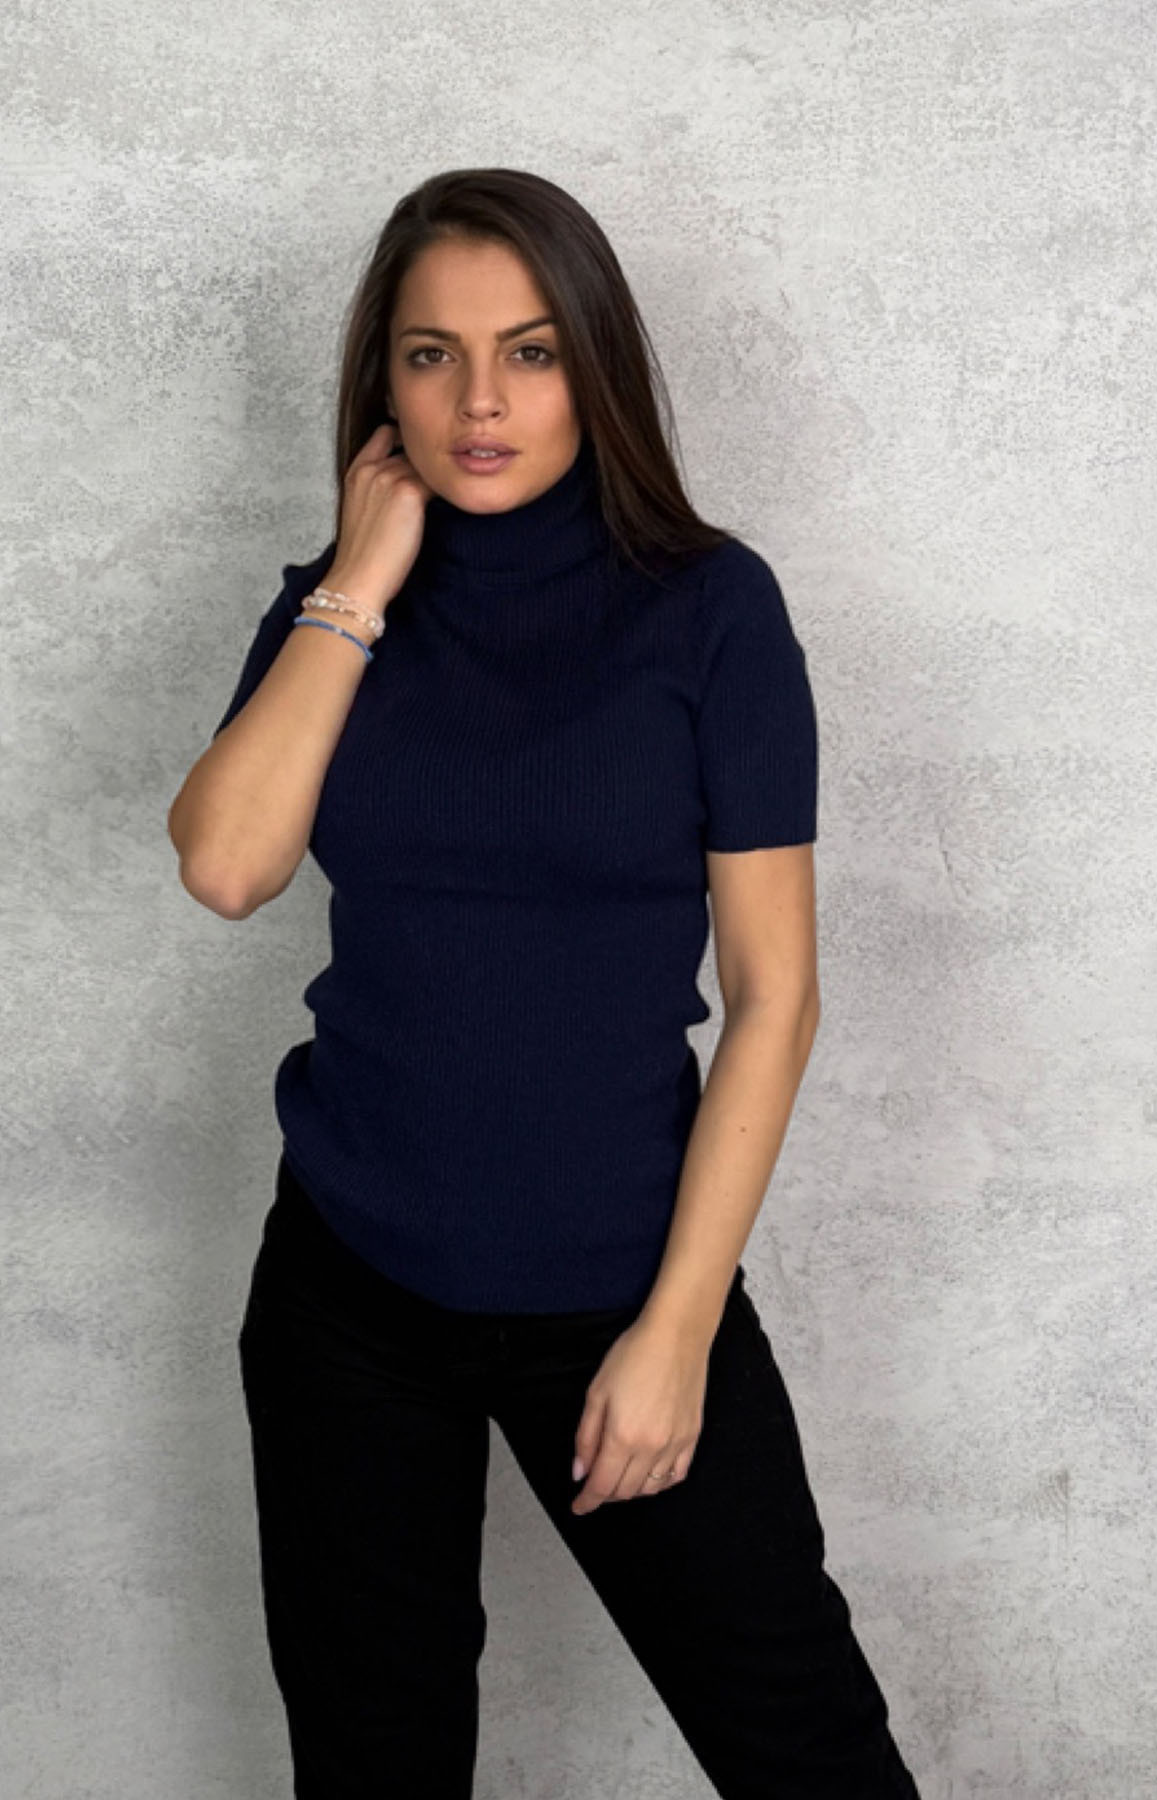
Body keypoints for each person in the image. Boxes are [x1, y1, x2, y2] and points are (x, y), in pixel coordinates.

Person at [168, 166, 922, 1798]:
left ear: (596, 365)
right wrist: (358, 585)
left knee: (809, 1756)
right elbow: (226, 868)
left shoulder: (710, 610)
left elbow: (775, 998)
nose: (481, 403)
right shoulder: (331, 612)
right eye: (431, 356)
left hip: (621, 1287)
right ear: (383, 382)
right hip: (349, 1296)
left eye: (529, 352)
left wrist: (678, 1330)